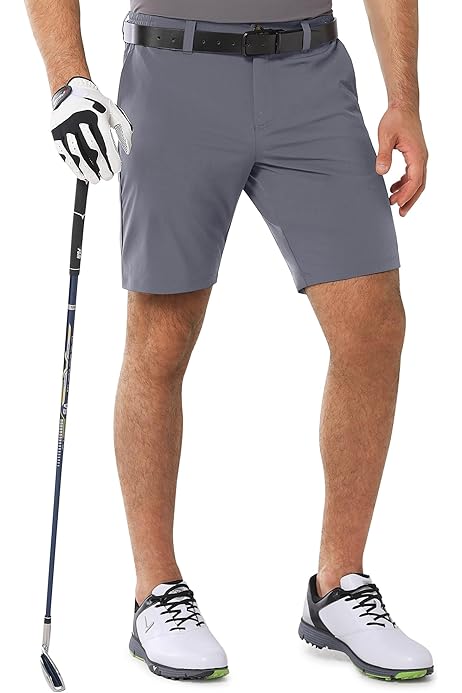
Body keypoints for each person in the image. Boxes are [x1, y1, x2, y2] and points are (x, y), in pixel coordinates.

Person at [26, 0, 433, 683]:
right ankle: (156, 593)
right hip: (173, 71)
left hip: (311, 75)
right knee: (160, 339)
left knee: (373, 326)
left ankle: (339, 587)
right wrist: (68, 79)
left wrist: (405, 98)